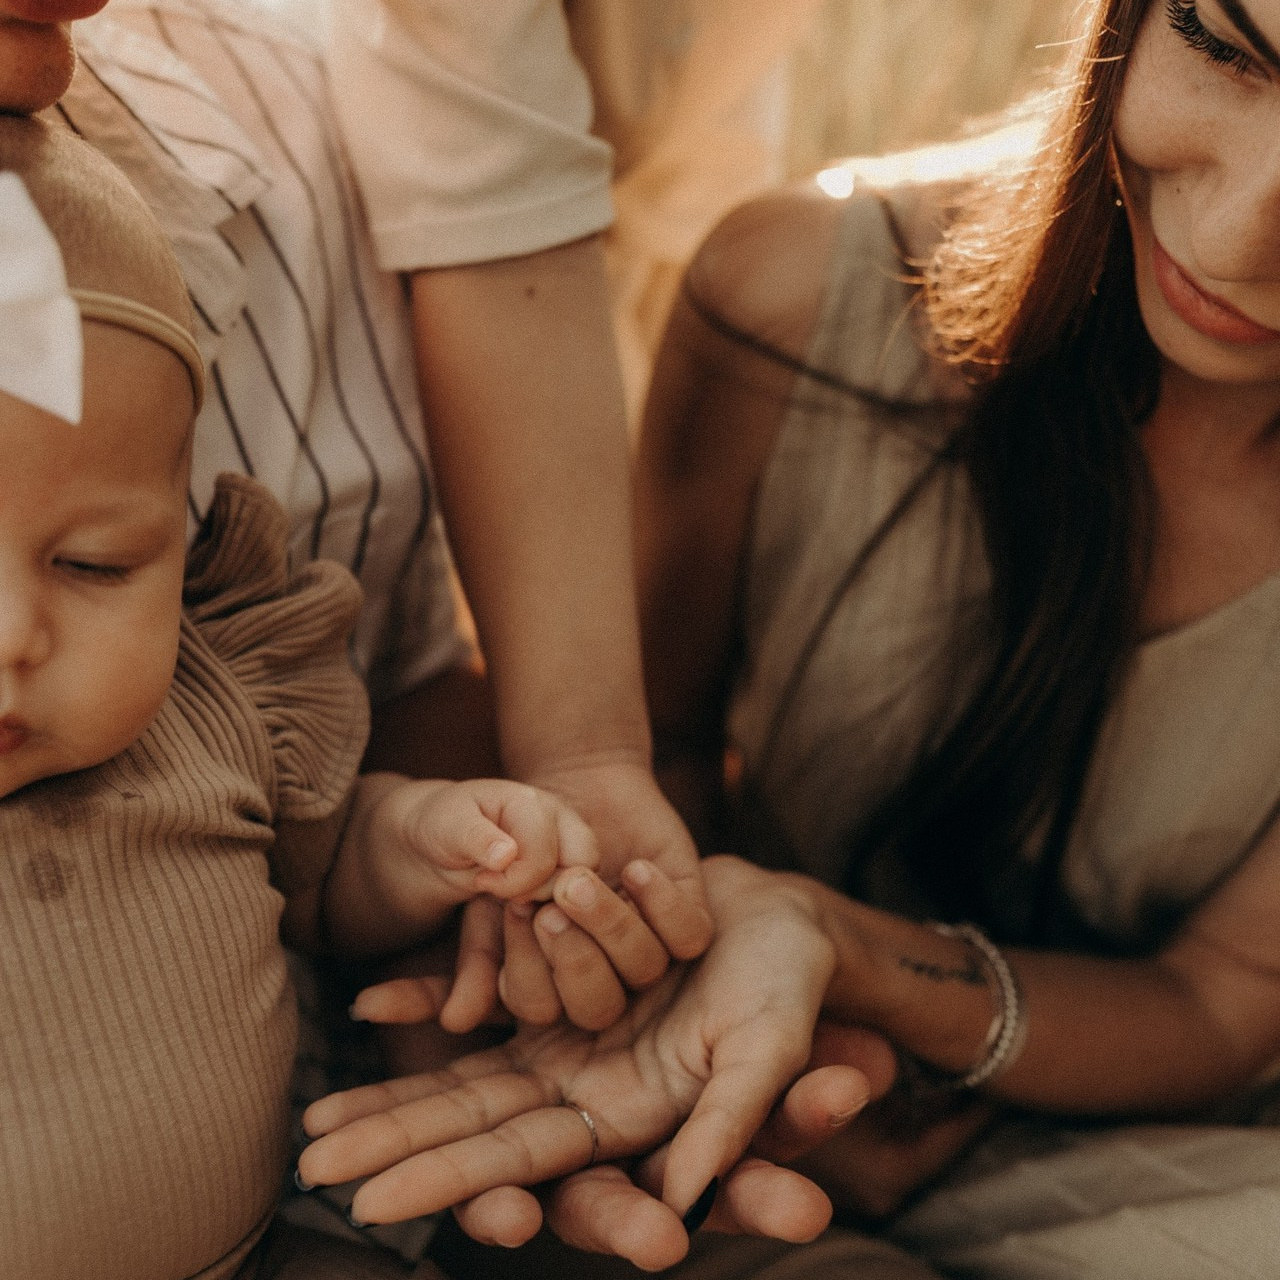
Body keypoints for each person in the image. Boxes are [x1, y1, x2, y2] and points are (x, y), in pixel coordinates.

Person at [287, 1, 1280, 1276]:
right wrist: (673, 996)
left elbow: (1221, 997)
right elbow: (652, 757)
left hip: (1163, 1139)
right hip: (713, 1097)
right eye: (1222, 47)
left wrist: (851, 961)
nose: (1241, 224)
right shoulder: (793, 298)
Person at [0, 112, 647, 1279]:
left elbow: (321, 873)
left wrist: (425, 840)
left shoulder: (220, 702)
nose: (10, 634)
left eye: (94, 562)